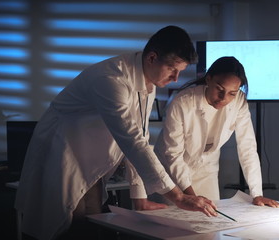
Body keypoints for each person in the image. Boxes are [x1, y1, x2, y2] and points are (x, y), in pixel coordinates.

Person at [14, 25, 217, 240]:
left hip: (86, 162)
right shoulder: (111, 79)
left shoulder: (147, 81)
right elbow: (132, 141)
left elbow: (140, 134)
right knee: (66, 226)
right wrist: (177, 196)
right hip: (61, 155)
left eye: (180, 71)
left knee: (92, 222)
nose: (176, 78)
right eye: (172, 69)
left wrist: (139, 196)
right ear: (152, 58)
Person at [128, 56, 279, 209]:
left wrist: (257, 194)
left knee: (209, 224)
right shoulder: (182, 102)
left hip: (207, 170)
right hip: (172, 173)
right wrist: (190, 198)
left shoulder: (239, 101)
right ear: (208, 79)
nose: (223, 98)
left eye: (231, 93)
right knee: (174, 225)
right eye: (219, 89)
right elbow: (173, 155)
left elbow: (247, 148)